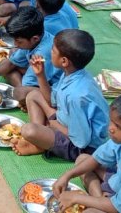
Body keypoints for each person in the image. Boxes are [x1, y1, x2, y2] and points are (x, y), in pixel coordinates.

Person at [12, 29, 110, 159]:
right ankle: (42, 140)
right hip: (64, 119)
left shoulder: (76, 96)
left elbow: (82, 140)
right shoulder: (73, 74)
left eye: (52, 50)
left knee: (28, 130)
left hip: (81, 147)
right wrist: (40, 75)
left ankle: (41, 142)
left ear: (64, 61)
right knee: (33, 95)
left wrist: (55, 124)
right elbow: (51, 101)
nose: (49, 52)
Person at [0, 7, 55, 104]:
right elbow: (11, 63)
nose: (15, 44)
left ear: (34, 38)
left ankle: (27, 100)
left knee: (19, 92)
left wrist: (20, 88)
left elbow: (28, 85)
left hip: (50, 88)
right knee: (6, 64)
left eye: (18, 41)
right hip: (35, 76)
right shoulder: (35, 39)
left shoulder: (43, 52)